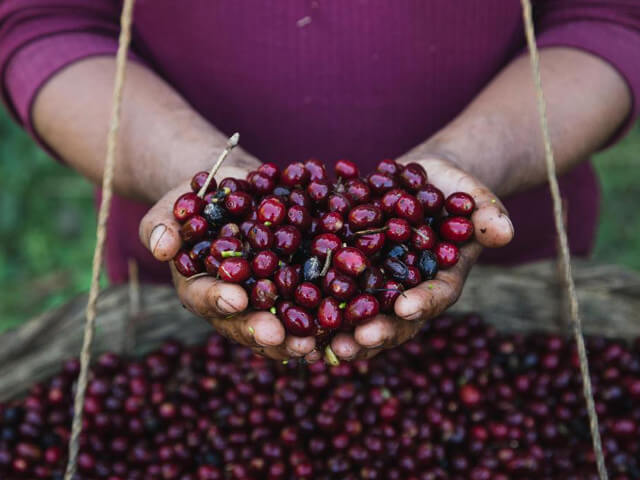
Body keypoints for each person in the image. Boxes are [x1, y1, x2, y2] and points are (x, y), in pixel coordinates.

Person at [1, 2, 638, 363]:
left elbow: (609, 17)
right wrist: (195, 170)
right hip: (171, 289)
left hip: (517, 274)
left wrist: (473, 156)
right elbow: (42, 20)